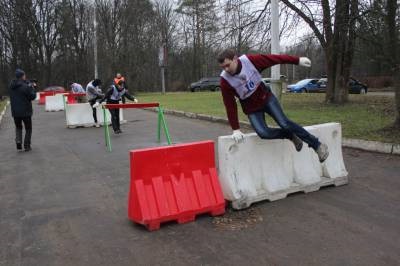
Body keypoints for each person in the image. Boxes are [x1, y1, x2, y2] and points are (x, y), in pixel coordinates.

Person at [217, 49, 329, 163]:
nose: (226, 69)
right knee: (263, 133)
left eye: (228, 65)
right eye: (223, 67)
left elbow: (274, 59)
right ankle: (290, 136)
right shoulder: (225, 81)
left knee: (284, 123)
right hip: (251, 108)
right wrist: (236, 129)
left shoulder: (250, 61)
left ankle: (317, 145)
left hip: (266, 98)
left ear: (235, 59)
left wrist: (297, 60)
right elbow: (230, 105)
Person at [8, 68, 36, 151]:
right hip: (26, 111)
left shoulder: (11, 86)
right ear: (22, 76)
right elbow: (32, 96)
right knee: (28, 128)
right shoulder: (25, 87)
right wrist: (33, 88)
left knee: (18, 127)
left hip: (15, 112)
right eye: (24, 75)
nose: (25, 76)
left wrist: (28, 84)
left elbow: (20, 87)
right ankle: (27, 145)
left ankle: (18, 142)